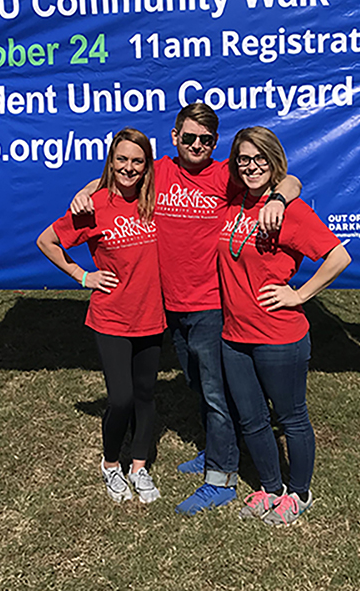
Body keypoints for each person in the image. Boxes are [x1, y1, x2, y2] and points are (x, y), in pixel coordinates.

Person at [71, 104, 302, 514]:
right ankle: (216, 447)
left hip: (212, 305)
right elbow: (122, 177)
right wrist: (88, 190)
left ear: (215, 143)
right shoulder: (158, 172)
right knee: (197, 383)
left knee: (216, 394)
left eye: (206, 140)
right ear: (175, 137)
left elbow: (287, 179)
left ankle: (222, 477)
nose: (197, 145)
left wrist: (281, 198)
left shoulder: (224, 175)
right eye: (190, 137)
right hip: (170, 305)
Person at [218, 127, 351, 526]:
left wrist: (299, 294)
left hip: (279, 336)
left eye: (261, 159)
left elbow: (337, 257)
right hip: (234, 335)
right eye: (244, 159)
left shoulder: (289, 211)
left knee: (291, 417)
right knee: (252, 418)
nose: (251, 166)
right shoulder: (235, 200)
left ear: (274, 161)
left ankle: (300, 493)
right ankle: (271, 487)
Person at [37, 128, 165, 505]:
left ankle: (139, 468)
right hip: (110, 316)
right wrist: (82, 275)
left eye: (137, 161)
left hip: (152, 315)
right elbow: (47, 241)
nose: (128, 167)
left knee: (145, 395)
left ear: (146, 167)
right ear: (111, 161)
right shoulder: (93, 205)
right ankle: (111, 465)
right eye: (121, 159)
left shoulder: (155, 201)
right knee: (121, 398)